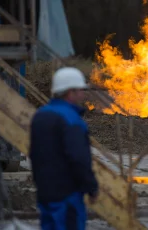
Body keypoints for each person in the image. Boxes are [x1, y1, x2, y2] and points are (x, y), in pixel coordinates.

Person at [29, 67, 99, 230]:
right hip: (68, 197)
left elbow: (34, 153)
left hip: (45, 194)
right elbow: (79, 159)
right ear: (70, 92)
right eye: (80, 90)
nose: (83, 94)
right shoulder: (71, 120)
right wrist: (92, 187)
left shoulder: (40, 116)